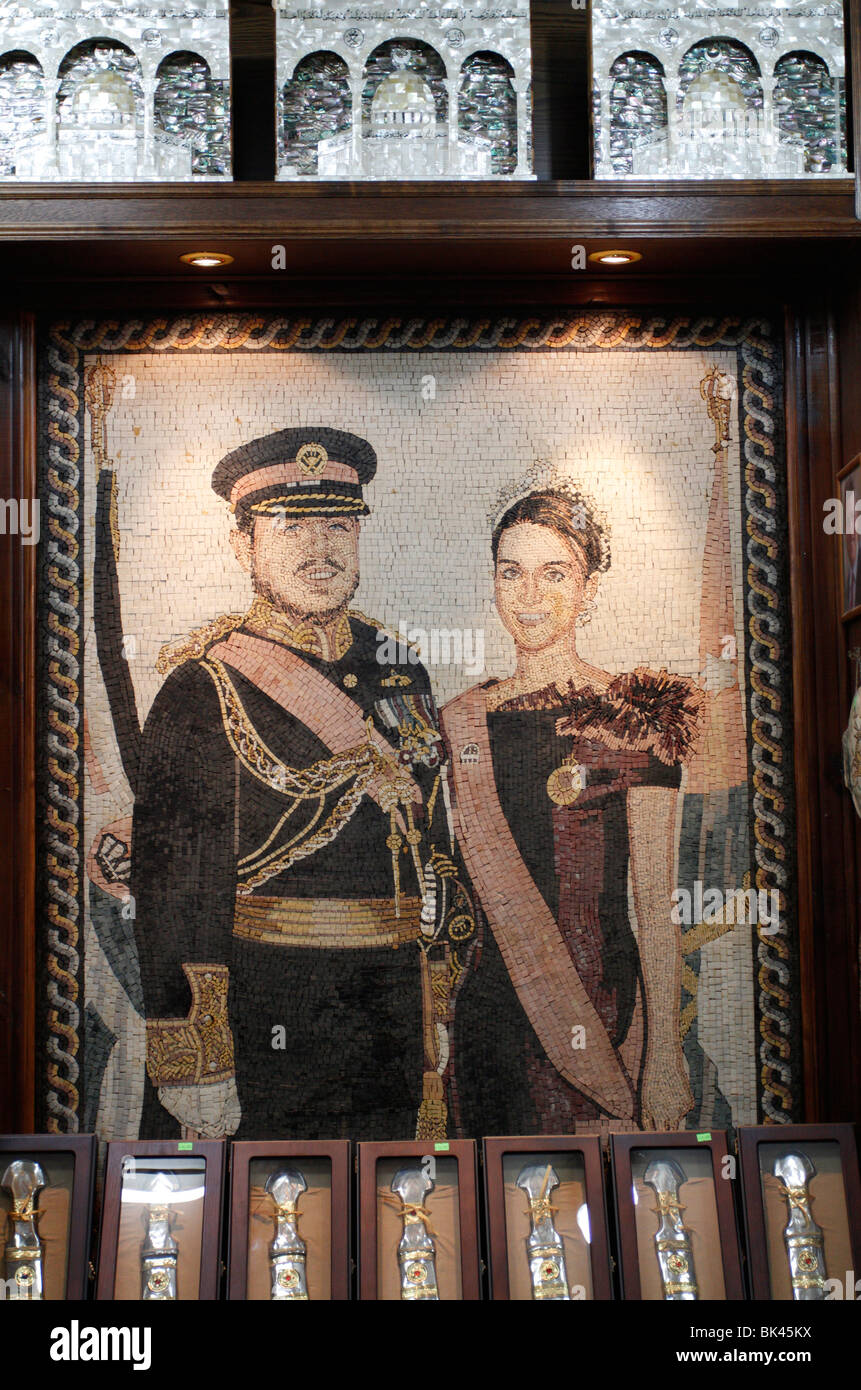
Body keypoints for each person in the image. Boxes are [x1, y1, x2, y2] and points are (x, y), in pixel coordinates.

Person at [132, 426, 472, 1141]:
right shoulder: (202, 686)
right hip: (267, 1003)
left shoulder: (398, 668)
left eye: (338, 525)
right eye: (290, 526)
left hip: (392, 1010)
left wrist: (435, 998)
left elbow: (430, 844)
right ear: (242, 543)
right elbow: (172, 889)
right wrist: (196, 1058)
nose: (319, 550)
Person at [441, 486, 710, 1135]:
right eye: (512, 573)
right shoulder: (456, 724)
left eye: (553, 573)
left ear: (588, 586)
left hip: (597, 1027)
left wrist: (665, 1058)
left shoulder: (635, 719)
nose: (529, 595)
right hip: (485, 1033)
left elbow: (653, 905)